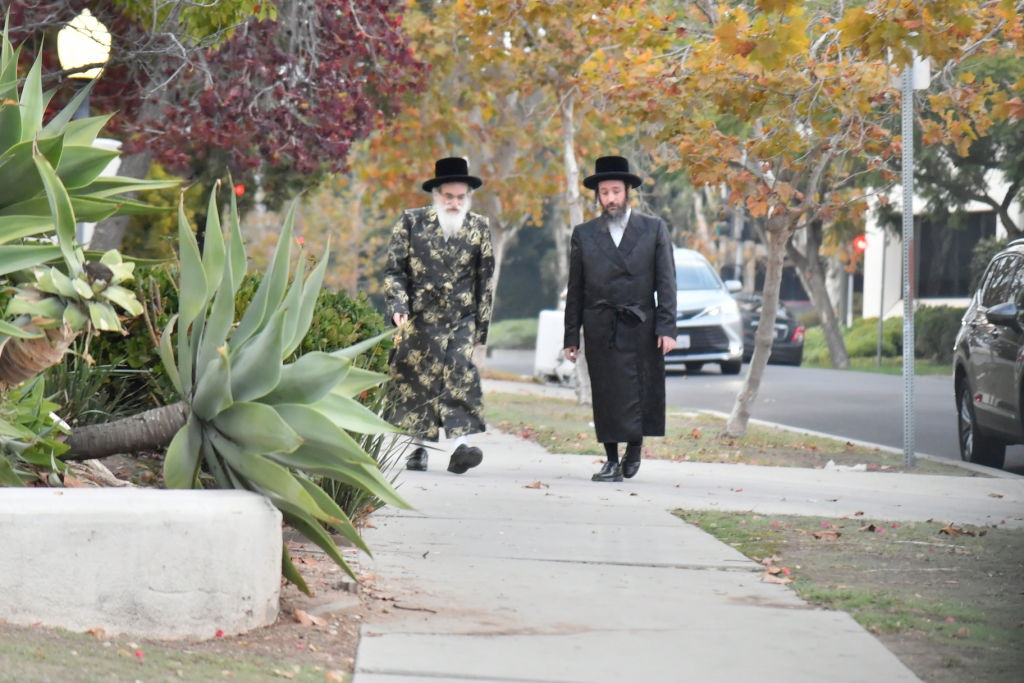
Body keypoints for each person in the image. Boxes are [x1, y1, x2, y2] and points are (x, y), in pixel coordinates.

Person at [563, 155, 677, 482]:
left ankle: (635, 447)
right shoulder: (584, 234)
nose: (610, 198)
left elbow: (667, 282)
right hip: (600, 323)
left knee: (639, 389)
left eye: (615, 191)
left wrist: (667, 327)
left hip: (640, 322)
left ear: (628, 191)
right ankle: (611, 459)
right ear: (597, 196)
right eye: (604, 192)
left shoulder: (653, 229)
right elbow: (576, 288)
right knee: (607, 393)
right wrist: (572, 336)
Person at [383, 157, 495, 474]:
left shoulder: (479, 227)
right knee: (421, 381)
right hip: (419, 316)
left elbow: (485, 281)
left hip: (461, 317)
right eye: (449, 196)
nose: (454, 203)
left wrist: (480, 331)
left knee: (459, 374)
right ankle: (418, 449)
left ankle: (462, 447)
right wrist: (398, 307)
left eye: (460, 197)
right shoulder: (410, 222)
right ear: (437, 194)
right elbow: (394, 271)